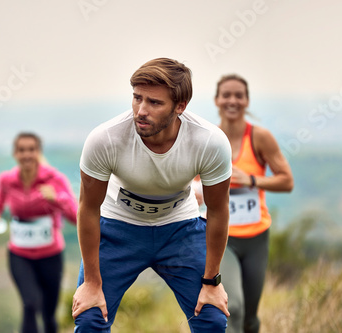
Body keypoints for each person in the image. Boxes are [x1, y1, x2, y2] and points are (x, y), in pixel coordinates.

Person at [71, 58, 233, 332]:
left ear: (180, 107)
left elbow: (218, 211)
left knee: (212, 318)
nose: (141, 111)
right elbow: (88, 208)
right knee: (89, 319)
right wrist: (91, 283)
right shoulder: (105, 139)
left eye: (154, 103)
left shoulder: (209, 142)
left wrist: (212, 282)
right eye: (137, 98)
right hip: (118, 227)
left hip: (179, 229)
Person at [213, 74, 294, 333]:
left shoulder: (260, 138)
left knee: (249, 317)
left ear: (247, 100)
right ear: (217, 100)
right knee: (232, 307)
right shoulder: (210, 139)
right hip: (221, 236)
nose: (232, 100)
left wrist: (250, 179)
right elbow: (191, 185)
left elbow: (286, 181)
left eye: (239, 95)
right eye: (226, 95)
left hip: (256, 236)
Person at [0, 132, 78, 333]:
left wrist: (56, 198)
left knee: (49, 314)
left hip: (50, 256)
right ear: (15, 154)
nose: (27, 154)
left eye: (31, 150)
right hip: (20, 255)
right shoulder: (7, 180)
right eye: (21, 150)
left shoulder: (54, 179)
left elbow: (76, 216)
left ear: (39, 152)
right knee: (30, 303)